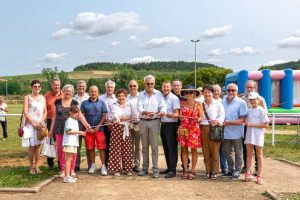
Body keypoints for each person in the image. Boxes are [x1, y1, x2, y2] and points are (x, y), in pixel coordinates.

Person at [49, 84, 91, 178]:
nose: (68, 92)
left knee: (73, 150)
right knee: (60, 150)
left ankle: (72, 169)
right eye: (66, 90)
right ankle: (63, 170)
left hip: (72, 131)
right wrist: (51, 130)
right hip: (59, 129)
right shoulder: (58, 102)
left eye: (70, 91)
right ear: (63, 91)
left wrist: (86, 125)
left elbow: (80, 115)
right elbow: (54, 117)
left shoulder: (75, 102)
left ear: (72, 92)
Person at [137, 75, 166, 178]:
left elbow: (162, 105)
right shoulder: (140, 94)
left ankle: (155, 169)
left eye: (151, 84)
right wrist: (145, 112)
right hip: (143, 121)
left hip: (154, 121)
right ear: (144, 84)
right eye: (148, 83)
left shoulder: (159, 94)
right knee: (144, 146)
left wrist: (162, 111)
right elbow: (139, 107)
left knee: (154, 147)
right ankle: (145, 168)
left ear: (154, 84)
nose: (150, 85)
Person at [109, 88, 138, 176]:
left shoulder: (129, 105)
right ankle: (116, 169)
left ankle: (128, 169)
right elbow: (115, 114)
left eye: (122, 96)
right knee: (116, 150)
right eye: (119, 96)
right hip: (117, 128)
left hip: (127, 128)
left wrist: (127, 118)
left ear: (125, 96)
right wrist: (117, 119)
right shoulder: (114, 105)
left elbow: (135, 117)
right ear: (117, 97)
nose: (121, 98)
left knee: (127, 149)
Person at [241, 80, 267, 176]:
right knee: (247, 150)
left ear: (255, 88)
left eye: (251, 87)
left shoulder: (261, 100)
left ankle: (257, 169)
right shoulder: (242, 99)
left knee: (258, 151)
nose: (249, 89)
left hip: (257, 129)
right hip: (246, 127)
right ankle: (246, 168)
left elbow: (265, 116)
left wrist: (254, 124)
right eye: (247, 87)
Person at [221, 83, 247, 180]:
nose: (231, 92)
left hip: (237, 132)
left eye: (233, 90)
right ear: (226, 91)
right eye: (229, 90)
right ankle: (230, 170)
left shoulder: (241, 103)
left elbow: (243, 119)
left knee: (238, 153)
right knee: (227, 152)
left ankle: (237, 171)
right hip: (225, 131)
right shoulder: (222, 102)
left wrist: (231, 122)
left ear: (237, 92)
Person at [178, 85, 203, 180]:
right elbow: (180, 116)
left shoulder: (198, 104)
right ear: (184, 94)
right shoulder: (182, 104)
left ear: (194, 94)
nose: (189, 94)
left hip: (194, 129)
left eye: (191, 92)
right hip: (184, 128)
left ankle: (193, 170)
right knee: (184, 150)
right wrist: (181, 117)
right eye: (187, 92)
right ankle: (185, 169)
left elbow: (201, 117)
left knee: (193, 151)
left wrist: (198, 119)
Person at [81, 86, 107, 175]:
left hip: (99, 129)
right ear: (89, 92)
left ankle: (103, 166)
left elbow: (104, 116)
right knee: (90, 148)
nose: (93, 93)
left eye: (95, 92)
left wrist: (98, 127)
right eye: (92, 91)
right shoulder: (84, 103)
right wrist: (88, 127)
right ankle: (92, 165)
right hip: (88, 130)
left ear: (98, 93)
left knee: (101, 148)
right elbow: (82, 116)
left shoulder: (102, 103)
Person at [201, 85, 225, 180]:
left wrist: (217, 122)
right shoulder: (200, 103)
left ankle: (214, 171)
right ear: (203, 93)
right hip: (203, 128)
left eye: (209, 92)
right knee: (206, 151)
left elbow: (222, 115)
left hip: (214, 129)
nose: (207, 94)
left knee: (214, 151)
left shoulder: (217, 103)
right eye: (205, 92)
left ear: (212, 93)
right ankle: (208, 170)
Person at [244, 92, 269, 185]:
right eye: (250, 99)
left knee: (259, 155)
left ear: (258, 99)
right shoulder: (249, 111)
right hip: (249, 135)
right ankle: (247, 173)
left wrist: (252, 125)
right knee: (249, 154)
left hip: (258, 135)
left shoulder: (262, 110)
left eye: (254, 99)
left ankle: (259, 175)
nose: (252, 101)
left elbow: (266, 125)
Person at [23, 80, 47, 174]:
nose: (37, 88)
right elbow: (25, 112)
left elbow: (45, 112)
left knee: (37, 146)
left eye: (38, 86)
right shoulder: (27, 97)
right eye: (35, 86)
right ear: (31, 87)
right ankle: (31, 167)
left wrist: (40, 122)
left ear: (40, 87)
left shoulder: (43, 98)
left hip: (40, 125)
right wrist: (34, 124)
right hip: (30, 125)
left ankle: (37, 166)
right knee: (31, 146)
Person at [159, 81, 180, 178]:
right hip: (163, 125)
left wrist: (171, 115)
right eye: (164, 87)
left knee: (172, 148)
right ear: (162, 88)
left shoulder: (174, 98)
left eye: (167, 87)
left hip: (172, 125)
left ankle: (173, 170)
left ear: (170, 88)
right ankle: (169, 167)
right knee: (166, 148)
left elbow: (177, 114)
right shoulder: (161, 97)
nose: (166, 88)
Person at [63, 105, 86, 183]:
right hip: (69, 142)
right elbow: (68, 131)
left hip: (73, 142)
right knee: (68, 159)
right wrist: (79, 132)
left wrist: (81, 134)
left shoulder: (75, 121)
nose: (76, 114)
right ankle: (66, 177)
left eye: (77, 113)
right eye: (74, 113)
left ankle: (68, 175)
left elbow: (74, 132)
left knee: (71, 159)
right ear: (70, 113)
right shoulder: (69, 120)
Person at [44, 77, 64, 171]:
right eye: (55, 85)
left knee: (61, 144)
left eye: (58, 85)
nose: (57, 86)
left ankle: (61, 164)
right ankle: (50, 163)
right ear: (51, 85)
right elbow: (44, 110)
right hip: (50, 121)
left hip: (61, 122)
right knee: (51, 142)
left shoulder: (64, 94)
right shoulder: (46, 96)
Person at [172, 79, 190, 170]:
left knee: (184, 146)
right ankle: (172, 167)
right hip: (172, 125)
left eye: (177, 85)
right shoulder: (170, 97)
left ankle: (185, 166)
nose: (176, 87)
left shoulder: (186, 98)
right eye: (174, 85)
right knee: (173, 147)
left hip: (183, 125)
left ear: (181, 86)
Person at [72, 80, 91, 172]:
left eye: (83, 86)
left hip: (87, 122)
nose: (81, 88)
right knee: (77, 145)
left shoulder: (89, 97)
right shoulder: (73, 98)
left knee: (88, 144)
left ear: (86, 88)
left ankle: (90, 165)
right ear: (77, 87)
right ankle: (76, 165)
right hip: (77, 123)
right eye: (79, 86)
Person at [98, 80, 117, 168]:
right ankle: (104, 164)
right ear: (105, 88)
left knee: (114, 146)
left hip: (115, 125)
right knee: (104, 145)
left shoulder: (117, 98)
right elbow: (99, 113)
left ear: (114, 88)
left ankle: (113, 164)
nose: (110, 89)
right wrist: (106, 122)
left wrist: (112, 123)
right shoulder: (100, 99)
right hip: (103, 125)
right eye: (108, 87)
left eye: (111, 87)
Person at [126, 79, 141, 172]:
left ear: (137, 86)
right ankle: (129, 163)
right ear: (129, 87)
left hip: (139, 123)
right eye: (131, 86)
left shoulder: (141, 96)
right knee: (129, 145)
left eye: (134, 86)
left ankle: (137, 164)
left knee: (138, 146)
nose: (132, 88)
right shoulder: (126, 97)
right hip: (128, 124)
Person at [213, 84, 227, 174]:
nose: (216, 92)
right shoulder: (207, 101)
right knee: (213, 149)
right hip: (211, 128)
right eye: (214, 90)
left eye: (218, 91)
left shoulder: (223, 101)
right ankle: (213, 167)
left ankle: (224, 166)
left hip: (221, 128)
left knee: (222, 148)